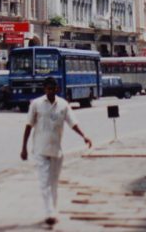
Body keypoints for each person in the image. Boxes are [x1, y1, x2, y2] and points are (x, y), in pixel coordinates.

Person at [21, 76, 92, 226]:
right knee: (44, 182)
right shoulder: (36, 104)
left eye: (53, 89)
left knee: (53, 183)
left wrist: (84, 136)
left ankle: (53, 210)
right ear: (44, 89)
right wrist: (24, 148)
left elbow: (73, 123)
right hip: (40, 150)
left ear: (57, 89)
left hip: (56, 151)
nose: (50, 92)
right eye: (48, 89)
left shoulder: (63, 105)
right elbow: (28, 126)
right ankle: (49, 212)